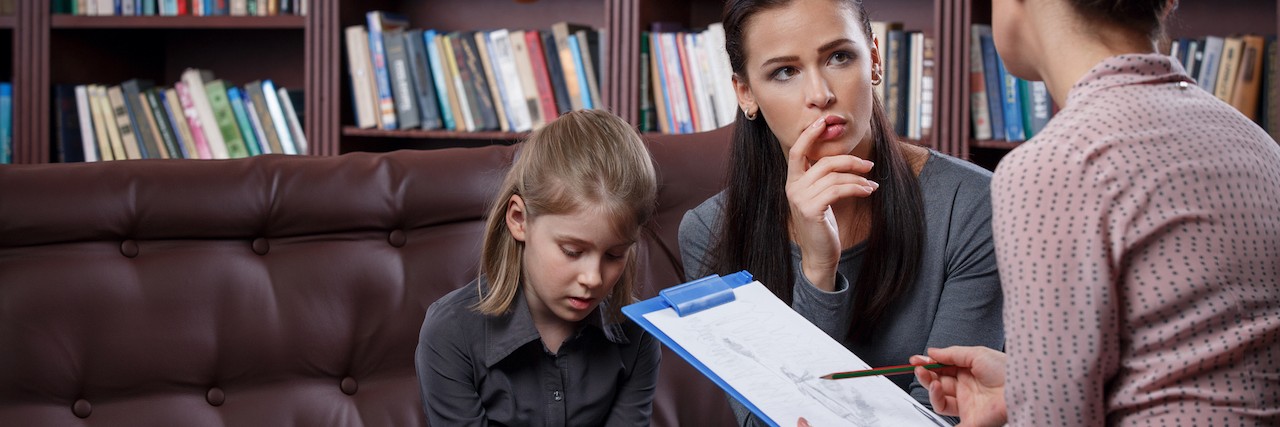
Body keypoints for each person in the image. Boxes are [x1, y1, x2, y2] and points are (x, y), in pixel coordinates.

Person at [912, 0, 1280, 425]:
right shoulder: (1257, 145)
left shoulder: (1058, 166)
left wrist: (1034, 406)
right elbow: (1196, 360)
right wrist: (1028, 385)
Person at [678, 0, 1005, 424]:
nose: (820, 94)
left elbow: (945, 414)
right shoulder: (709, 231)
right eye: (785, 71)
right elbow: (766, 420)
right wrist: (818, 270)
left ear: (873, 60)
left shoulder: (974, 205)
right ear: (745, 93)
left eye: (839, 57)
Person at [415, 109, 662, 426]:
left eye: (615, 254)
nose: (593, 278)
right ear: (519, 220)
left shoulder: (640, 335)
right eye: (572, 251)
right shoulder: (451, 335)